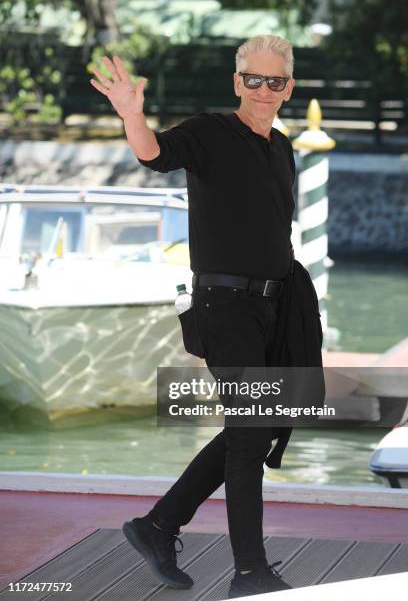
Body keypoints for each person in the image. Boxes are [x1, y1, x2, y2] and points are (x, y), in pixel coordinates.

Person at [90, 34, 299, 598]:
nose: (261, 89)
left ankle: (158, 526)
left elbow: (273, 231)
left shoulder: (282, 148)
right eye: (251, 79)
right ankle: (250, 572)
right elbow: (156, 153)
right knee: (251, 431)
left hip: (272, 308)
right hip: (224, 307)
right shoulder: (209, 132)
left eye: (273, 80)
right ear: (237, 83)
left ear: (288, 87)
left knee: (253, 428)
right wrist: (133, 118)